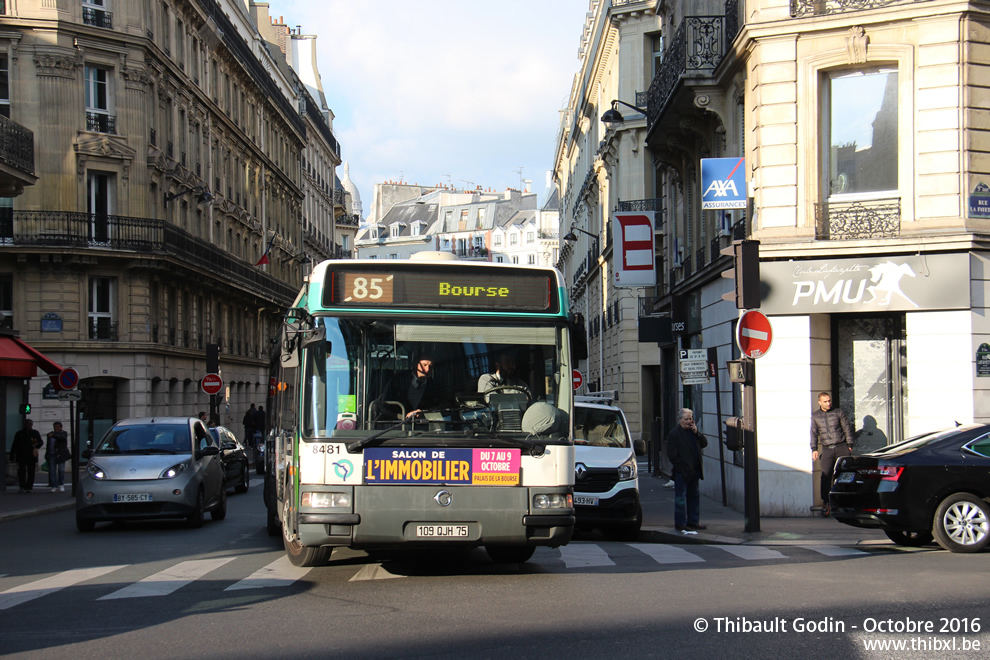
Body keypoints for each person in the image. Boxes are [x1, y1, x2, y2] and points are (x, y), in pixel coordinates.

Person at [811, 391, 854, 517]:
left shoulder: (838, 412)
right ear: (820, 402)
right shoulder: (815, 416)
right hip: (827, 449)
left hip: (841, 446)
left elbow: (847, 428)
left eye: (829, 401)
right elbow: (814, 433)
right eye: (825, 401)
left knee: (845, 474)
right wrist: (814, 448)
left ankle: (846, 502)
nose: (828, 403)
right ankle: (826, 502)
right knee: (825, 475)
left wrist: (849, 445)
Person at [665, 408, 708, 533]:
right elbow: (672, 455)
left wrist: (697, 432)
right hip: (683, 471)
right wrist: (681, 467)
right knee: (681, 497)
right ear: (680, 420)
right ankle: (680, 523)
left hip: (695, 469)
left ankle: (693, 521)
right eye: (686, 419)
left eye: (690, 419)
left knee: (694, 496)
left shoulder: (693, 432)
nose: (689, 421)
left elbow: (704, 443)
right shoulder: (675, 434)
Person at [10, 419, 44, 493]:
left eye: (29, 424)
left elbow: (41, 442)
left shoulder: (35, 433)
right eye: (27, 424)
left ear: (31, 425)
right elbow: (15, 445)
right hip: (22, 454)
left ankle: (29, 486)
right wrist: (12, 456)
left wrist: (36, 445)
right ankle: (22, 486)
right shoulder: (19, 433)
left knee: (31, 472)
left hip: (31, 454)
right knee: (22, 471)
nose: (28, 425)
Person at [45, 422, 70, 492]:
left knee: (61, 470)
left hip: (61, 454)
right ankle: (54, 485)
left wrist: (53, 435)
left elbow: (62, 437)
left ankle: (61, 484)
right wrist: (47, 454)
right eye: (55, 427)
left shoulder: (63, 433)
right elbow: (48, 445)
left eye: (58, 427)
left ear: (61, 427)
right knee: (52, 471)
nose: (56, 428)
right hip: (52, 454)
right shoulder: (50, 435)